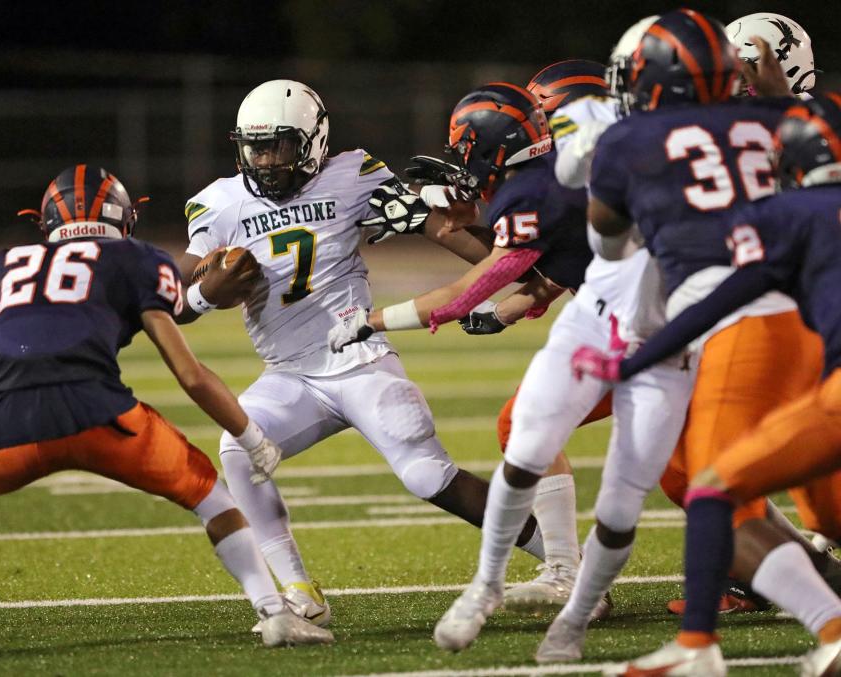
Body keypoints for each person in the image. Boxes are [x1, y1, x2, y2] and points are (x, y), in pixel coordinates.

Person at [0, 165, 333, 653]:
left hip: (8, 419)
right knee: (214, 498)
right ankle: (274, 614)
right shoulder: (138, 260)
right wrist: (251, 437)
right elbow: (189, 373)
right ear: (126, 220)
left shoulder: (7, 265)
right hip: (102, 416)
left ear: (44, 224)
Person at [177, 80, 548, 632]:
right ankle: (300, 591)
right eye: (255, 147)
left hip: (360, 358)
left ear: (312, 141)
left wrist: (518, 267)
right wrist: (206, 293)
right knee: (237, 449)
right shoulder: (219, 203)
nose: (264, 159)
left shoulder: (352, 174)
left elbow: (444, 233)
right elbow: (179, 304)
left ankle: (567, 561)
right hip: (290, 376)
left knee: (427, 476)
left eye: (277, 145)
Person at [564, 9, 831, 674]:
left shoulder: (633, 139)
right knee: (730, 486)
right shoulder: (784, 123)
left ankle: (703, 646)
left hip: (749, 329)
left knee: (717, 489)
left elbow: (606, 241)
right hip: (789, 323)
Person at [327, 80, 612, 651]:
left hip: (647, 328)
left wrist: (371, 321)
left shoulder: (534, 190)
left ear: (490, 146)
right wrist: (502, 308)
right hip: (629, 319)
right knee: (526, 423)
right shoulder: (558, 173)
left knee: (688, 467)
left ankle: (573, 578)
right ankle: (569, 574)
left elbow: (464, 292)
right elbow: (544, 269)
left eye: (464, 147)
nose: (459, 160)